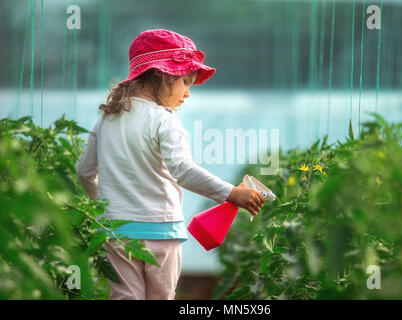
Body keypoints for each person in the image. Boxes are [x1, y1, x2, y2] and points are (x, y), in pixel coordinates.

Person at [76, 29, 265, 300]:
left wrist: (107, 204)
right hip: (160, 233)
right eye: (186, 82)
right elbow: (183, 171)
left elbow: (84, 172)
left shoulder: (106, 120)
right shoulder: (164, 120)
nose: (187, 94)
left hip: (115, 231)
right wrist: (231, 193)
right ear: (163, 76)